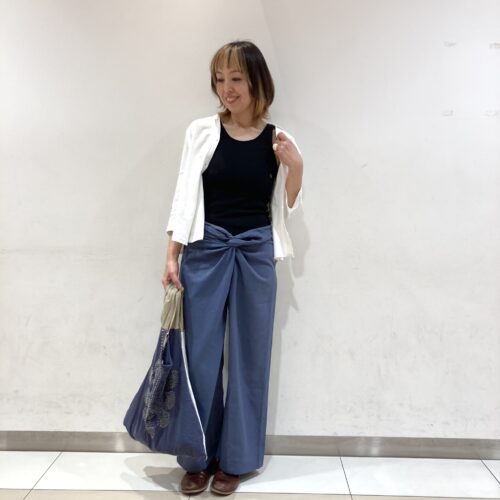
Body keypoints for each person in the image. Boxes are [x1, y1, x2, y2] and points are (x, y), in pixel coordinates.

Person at [161, 40, 304, 496]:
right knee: (200, 358)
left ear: (257, 81)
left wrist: (296, 167)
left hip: (256, 252)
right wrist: (172, 254)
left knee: (250, 357)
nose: (227, 88)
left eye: (236, 78)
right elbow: (185, 194)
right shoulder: (201, 131)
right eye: (220, 79)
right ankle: (197, 457)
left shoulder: (278, 139)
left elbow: (289, 205)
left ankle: (236, 460)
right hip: (206, 250)